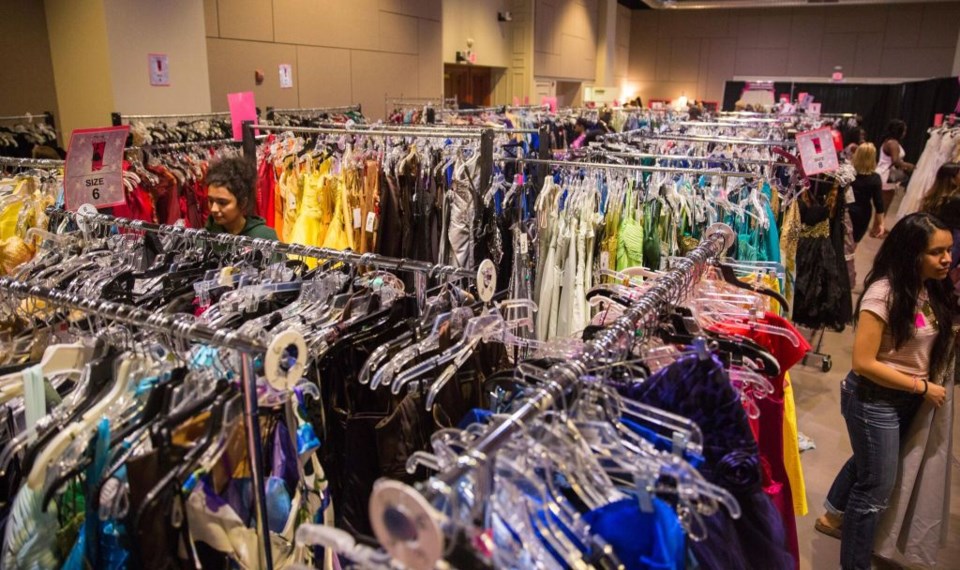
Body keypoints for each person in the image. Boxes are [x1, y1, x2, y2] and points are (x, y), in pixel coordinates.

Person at [815, 212, 953, 569]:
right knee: (875, 490)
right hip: (874, 399)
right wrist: (921, 386)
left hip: (906, 398)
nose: (947, 259)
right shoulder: (883, 294)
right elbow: (863, 362)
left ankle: (831, 514)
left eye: (949, 250)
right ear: (912, 253)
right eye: (937, 252)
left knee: (873, 463)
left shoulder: (928, 287)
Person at [205, 156, 278, 240]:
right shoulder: (204, 237)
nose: (214, 209)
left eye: (222, 203)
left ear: (242, 203)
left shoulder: (264, 236)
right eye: (210, 201)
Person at [847, 143, 886, 242]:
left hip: (844, 210)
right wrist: (881, 223)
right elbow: (879, 203)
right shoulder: (875, 178)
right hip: (862, 214)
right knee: (854, 242)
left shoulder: (847, 172)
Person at [876, 120, 914, 213]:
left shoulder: (888, 141)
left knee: (881, 208)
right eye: (904, 131)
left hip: (883, 174)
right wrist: (909, 166)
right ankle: (878, 227)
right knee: (883, 208)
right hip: (887, 175)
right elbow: (896, 161)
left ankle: (878, 226)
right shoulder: (893, 143)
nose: (905, 133)